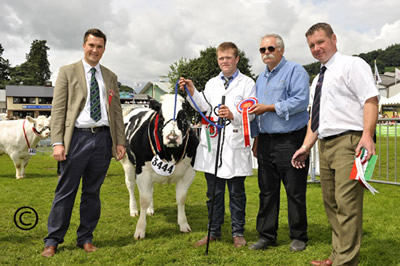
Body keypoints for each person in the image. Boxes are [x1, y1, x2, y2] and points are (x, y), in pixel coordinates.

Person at [291, 23, 379, 265]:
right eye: (311, 45)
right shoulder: (318, 78)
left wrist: (367, 135)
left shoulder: (352, 65)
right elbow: (315, 119)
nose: (316, 48)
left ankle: (345, 262)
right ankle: (337, 255)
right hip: (325, 145)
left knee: (347, 205)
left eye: (321, 42)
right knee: (331, 204)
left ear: (334, 39)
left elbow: (371, 99)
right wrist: (305, 147)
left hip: (350, 142)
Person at [41, 28, 126, 258]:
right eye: (91, 45)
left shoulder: (110, 76)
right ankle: (52, 240)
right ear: (83, 45)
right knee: (65, 191)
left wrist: (120, 142)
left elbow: (116, 112)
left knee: (92, 193)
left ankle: (86, 238)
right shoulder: (67, 72)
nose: (95, 50)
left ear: (104, 49)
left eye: (99, 46)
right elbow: (58, 110)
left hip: (103, 139)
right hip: (76, 139)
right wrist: (57, 142)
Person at [178, 42, 256, 248]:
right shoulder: (212, 83)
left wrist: (233, 114)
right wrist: (192, 90)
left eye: (229, 57)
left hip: (234, 144)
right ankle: (213, 231)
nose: (225, 61)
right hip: (213, 145)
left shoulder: (247, 83)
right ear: (218, 60)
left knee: (237, 193)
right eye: (221, 58)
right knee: (213, 193)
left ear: (236, 59)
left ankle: (238, 232)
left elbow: (252, 110)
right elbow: (202, 106)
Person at [248, 34, 310, 252]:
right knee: (266, 190)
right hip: (265, 141)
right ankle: (266, 236)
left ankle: (299, 236)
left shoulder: (295, 71)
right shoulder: (260, 79)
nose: (266, 53)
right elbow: (254, 111)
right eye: (262, 49)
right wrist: (256, 139)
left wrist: (270, 107)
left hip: (290, 140)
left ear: (281, 50)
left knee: (294, 190)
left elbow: (301, 101)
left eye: (270, 48)